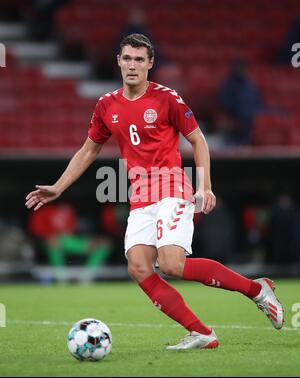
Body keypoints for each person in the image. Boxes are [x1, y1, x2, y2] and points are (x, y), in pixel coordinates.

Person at [25, 34, 284, 350]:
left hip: (172, 187)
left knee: (172, 264)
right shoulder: (106, 105)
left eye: (139, 60)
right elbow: (88, 150)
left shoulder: (168, 99)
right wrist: (58, 187)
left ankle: (256, 290)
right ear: (118, 62)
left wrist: (205, 186)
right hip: (140, 196)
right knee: (139, 267)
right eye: (127, 59)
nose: (132, 65)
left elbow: (198, 139)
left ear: (149, 65)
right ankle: (202, 333)